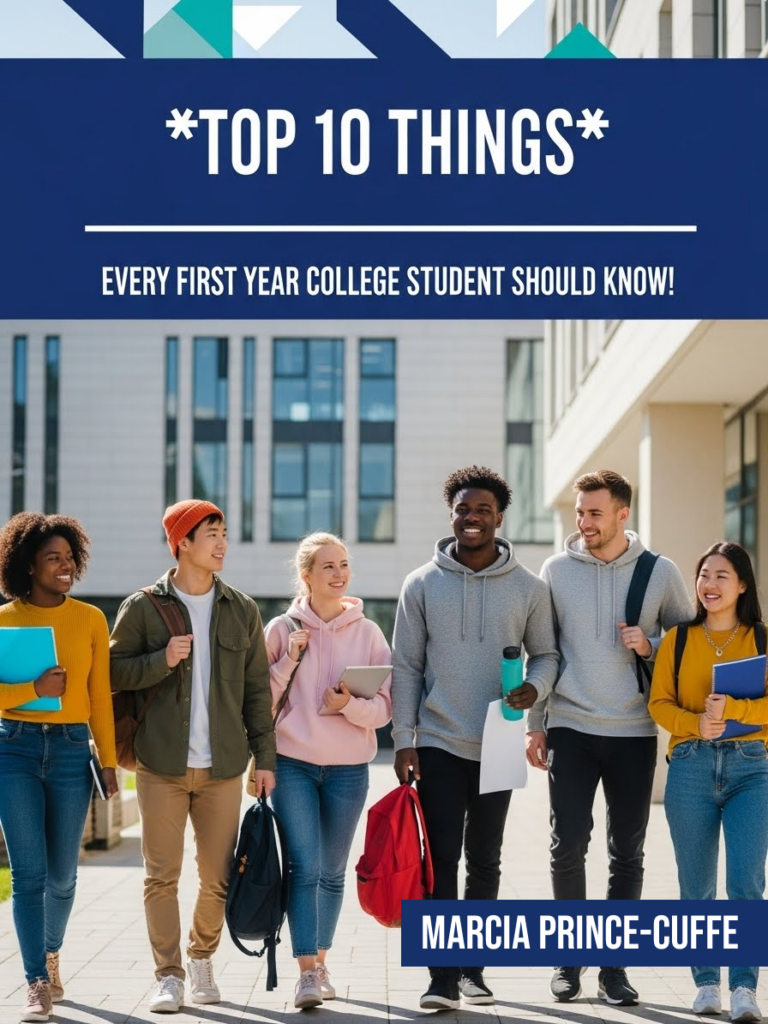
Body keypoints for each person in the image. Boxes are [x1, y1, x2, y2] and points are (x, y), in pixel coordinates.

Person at [391, 465, 559, 1011]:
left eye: (482, 510)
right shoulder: (421, 583)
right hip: (438, 739)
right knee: (440, 859)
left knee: (485, 857)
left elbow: (549, 655)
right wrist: (403, 739)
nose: (472, 518)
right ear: (452, 515)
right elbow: (406, 667)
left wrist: (534, 690)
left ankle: (472, 972)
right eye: (463, 509)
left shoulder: (529, 588)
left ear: (499, 517)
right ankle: (439, 978)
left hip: (501, 739)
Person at [527, 469, 691, 1007]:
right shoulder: (554, 569)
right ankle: (568, 961)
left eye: (595, 513)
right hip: (570, 726)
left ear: (623, 514)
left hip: (634, 730)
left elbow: (686, 648)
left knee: (629, 852)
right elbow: (543, 653)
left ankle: (614, 968)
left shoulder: (659, 572)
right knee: (566, 844)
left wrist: (651, 643)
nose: (584, 522)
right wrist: (536, 725)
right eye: (580, 512)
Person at [109, 499, 275, 1014]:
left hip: (223, 766)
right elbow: (112, 675)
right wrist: (162, 660)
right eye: (212, 534)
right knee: (162, 876)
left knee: (219, 876)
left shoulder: (241, 608)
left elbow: (256, 692)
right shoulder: (142, 607)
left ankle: (201, 958)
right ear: (182, 542)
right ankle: (169, 974)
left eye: (225, 532)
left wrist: (263, 758)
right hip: (162, 765)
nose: (223, 542)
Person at [264, 532, 392, 1010]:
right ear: (307, 577)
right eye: (327, 567)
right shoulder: (281, 628)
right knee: (305, 866)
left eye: (343, 565)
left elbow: (384, 709)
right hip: (292, 763)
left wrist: (347, 706)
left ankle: (320, 963)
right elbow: (259, 703)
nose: (339, 574)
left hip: (348, 769)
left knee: (334, 873)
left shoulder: (370, 633)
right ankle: (305, 973)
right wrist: (289, 660)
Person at [0, 512, 118, 1024]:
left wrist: (109, 763)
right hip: (13, 748)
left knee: (64, 877)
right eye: (54, 558)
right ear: (28, 565)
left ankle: (50, 953)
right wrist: (33, 691)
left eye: (70, 558)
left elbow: (100, 699)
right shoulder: (4, 620)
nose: (65, 566)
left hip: (73, 750)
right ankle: (35, 983)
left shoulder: (91, 619)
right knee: (28, 876)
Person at [649, 541, 768, 1024]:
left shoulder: (761, 639)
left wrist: (736, 711)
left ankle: (744, 988)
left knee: (746, 883)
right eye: (703, 575)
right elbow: (658, 704)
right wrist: (696, 724)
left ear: (742, 585)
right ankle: (705, 985)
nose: (709, 584)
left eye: (721, 576)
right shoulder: (677, 639)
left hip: (752, 768)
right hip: (691, 768)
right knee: (695, 887)